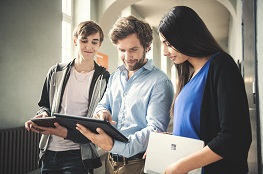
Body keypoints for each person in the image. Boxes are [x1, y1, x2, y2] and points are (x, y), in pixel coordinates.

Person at [157, 6, 252, 174]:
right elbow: (200, 131)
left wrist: (181, 166)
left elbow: (234, 136)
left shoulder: (221, 65)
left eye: (169, 44)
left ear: (186, 36)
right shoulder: (191, 75)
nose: (165, 52)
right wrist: (169, 143)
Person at [76, 15, 174, 174]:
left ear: (147, 46)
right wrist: (101, 112)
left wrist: (115, 146)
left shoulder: (160, 82)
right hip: (110, 161)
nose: (127, 57)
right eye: (122, 50)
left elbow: (155, 131)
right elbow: (103, 104)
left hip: (139, 164)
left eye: (133, 50)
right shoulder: (115, 76)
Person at [25, 20, 110, 174]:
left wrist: (66, 133)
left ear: (99, 45)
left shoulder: (104, 78)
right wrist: (42, 115)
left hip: (79, 155)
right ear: (75, 41)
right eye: (84, 41)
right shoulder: (55, 72)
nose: (89, 46)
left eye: (94, 42)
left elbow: (97, 123)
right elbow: (45, 105)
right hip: (49, 151)